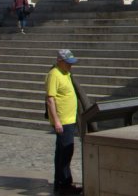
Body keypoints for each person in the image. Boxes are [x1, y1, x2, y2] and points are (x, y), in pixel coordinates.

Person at [46, 49, 82, 194]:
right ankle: (64, 184)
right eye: (68, 63)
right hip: (63, 120)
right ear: (60, 62)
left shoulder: (66, 73)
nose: (70, 66)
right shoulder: (54, 74)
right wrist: (57, 121)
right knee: (65, 152)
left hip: (70, 118)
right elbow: (50, 99)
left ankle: (61, 183)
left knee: (64, 151)